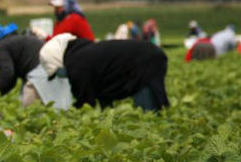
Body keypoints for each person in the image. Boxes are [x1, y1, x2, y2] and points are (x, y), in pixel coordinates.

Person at [39, 34, 170, 111]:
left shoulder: (76, 64)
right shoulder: (82, 53)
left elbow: (85, 102)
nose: (60, 76)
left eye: (57, 72)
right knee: (156, 101)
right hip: (151, 54)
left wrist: (71, 116)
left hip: (145, 60)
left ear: (57, 61)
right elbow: (102, 90)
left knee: (148, 109)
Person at [0, 22, 72, 109]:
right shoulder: (15, 40)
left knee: (29, 111)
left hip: (40, 73)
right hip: (57, 70)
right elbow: (11, 79)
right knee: (58, 111)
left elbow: (7, 73)